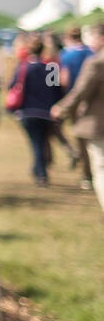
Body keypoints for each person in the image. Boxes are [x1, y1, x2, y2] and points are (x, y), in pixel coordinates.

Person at [52, 24, 104, 213]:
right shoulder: (88, 55)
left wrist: (61, 105)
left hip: (93, 115)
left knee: (99, 164)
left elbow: (65, 82)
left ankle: (85, 177)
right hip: (89, 110)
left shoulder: (87, 59)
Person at [8, 41, 63, 186]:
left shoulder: (23, 67)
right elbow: (57, 91)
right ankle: (38, 169)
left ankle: (41, 173)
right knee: (41, 142)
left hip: (28, 112)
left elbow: (13, 86)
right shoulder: (51, 68)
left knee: (36, 143)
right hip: (47, 112)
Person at [60, 27, 95, 190]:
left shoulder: (65, 56)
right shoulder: (93, 53)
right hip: (94, 102)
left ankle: (87, 175)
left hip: (75, 101)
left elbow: (58, 81)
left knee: (82, 140)